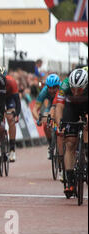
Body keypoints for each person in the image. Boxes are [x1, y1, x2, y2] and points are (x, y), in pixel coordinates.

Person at [55, 68, 88, 197]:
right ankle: (70, 180)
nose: (75, 92)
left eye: (78, 89)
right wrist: (59, 123)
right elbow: (59, 106)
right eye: (73, 89)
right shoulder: (65, 85)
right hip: (71, 107)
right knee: (69, 143)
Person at [32, 73, 61, 160]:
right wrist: (38, 119)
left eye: (54, 88)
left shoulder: (63, 89)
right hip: (50, 106)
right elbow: (35, 109)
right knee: (46, 124)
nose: (51, 90)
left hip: (61, 106)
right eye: (49, 88)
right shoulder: (44, 91)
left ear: (59, 86)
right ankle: (51, 146)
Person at [0, 67, 21, 162]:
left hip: (9, 98)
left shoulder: (11, 82)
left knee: (10, 118)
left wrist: (16, 114)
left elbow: (17, 101)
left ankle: (12, 149)